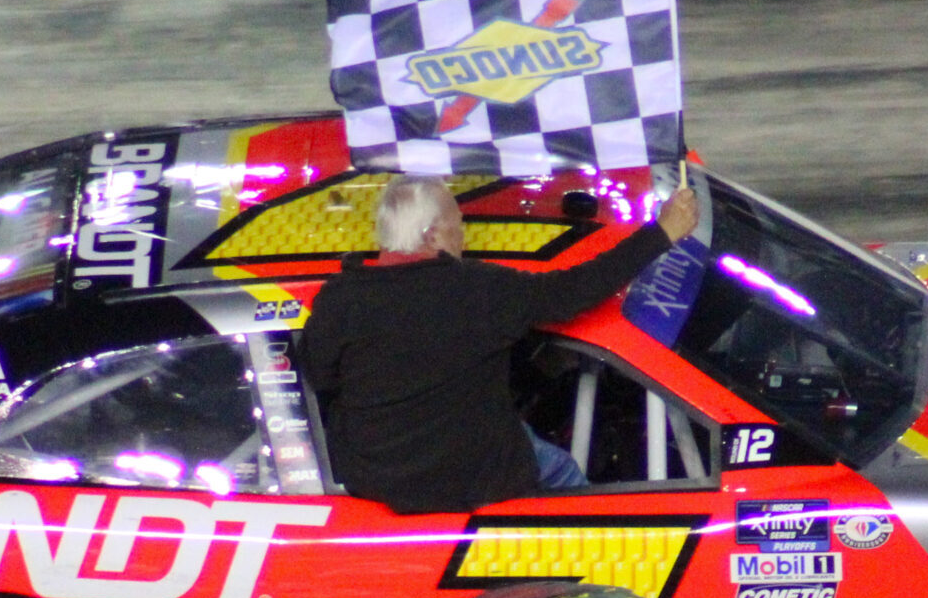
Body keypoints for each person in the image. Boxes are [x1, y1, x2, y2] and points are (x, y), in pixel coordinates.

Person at [301, 174, 702, 514]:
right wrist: (661, 233)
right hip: (473, 475)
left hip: (376, 478)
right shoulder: (481, 290)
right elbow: (573, 292)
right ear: (433, 234)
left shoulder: (340, 298)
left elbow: (319, 377)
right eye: (459, 225)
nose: (464, 236)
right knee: (563, 470)